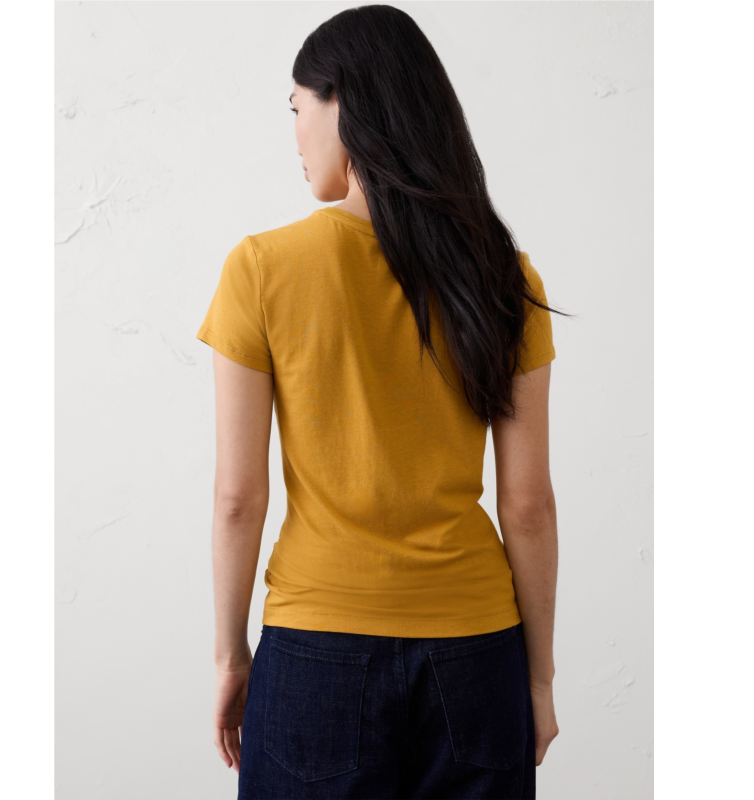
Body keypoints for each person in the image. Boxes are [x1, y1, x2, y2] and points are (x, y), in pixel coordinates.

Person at [197, 6, 560, 798]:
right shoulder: (503, 276)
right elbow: (528, 506)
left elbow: (237, 499)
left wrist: (230, 657)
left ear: (343, 104)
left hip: (317, 650)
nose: (295, 137)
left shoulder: (261, 268)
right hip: (478, 654)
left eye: (297, 108)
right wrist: (538, 679)